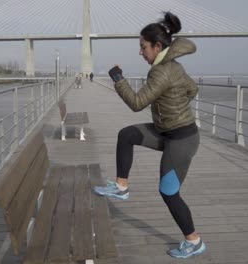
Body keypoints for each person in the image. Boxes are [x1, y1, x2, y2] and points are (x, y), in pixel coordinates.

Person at [93, 12, 205, 259]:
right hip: (166, 131)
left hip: (181, 139)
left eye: (143, 47)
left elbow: (136, 102)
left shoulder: (161, 71)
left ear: (157, 46)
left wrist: (118, 79)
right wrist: (174, 106)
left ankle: (193, 241)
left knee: (169, 192)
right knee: (128, 134)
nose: (141, 52)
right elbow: (192, 89)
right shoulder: (173, 65)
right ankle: (122, 186)